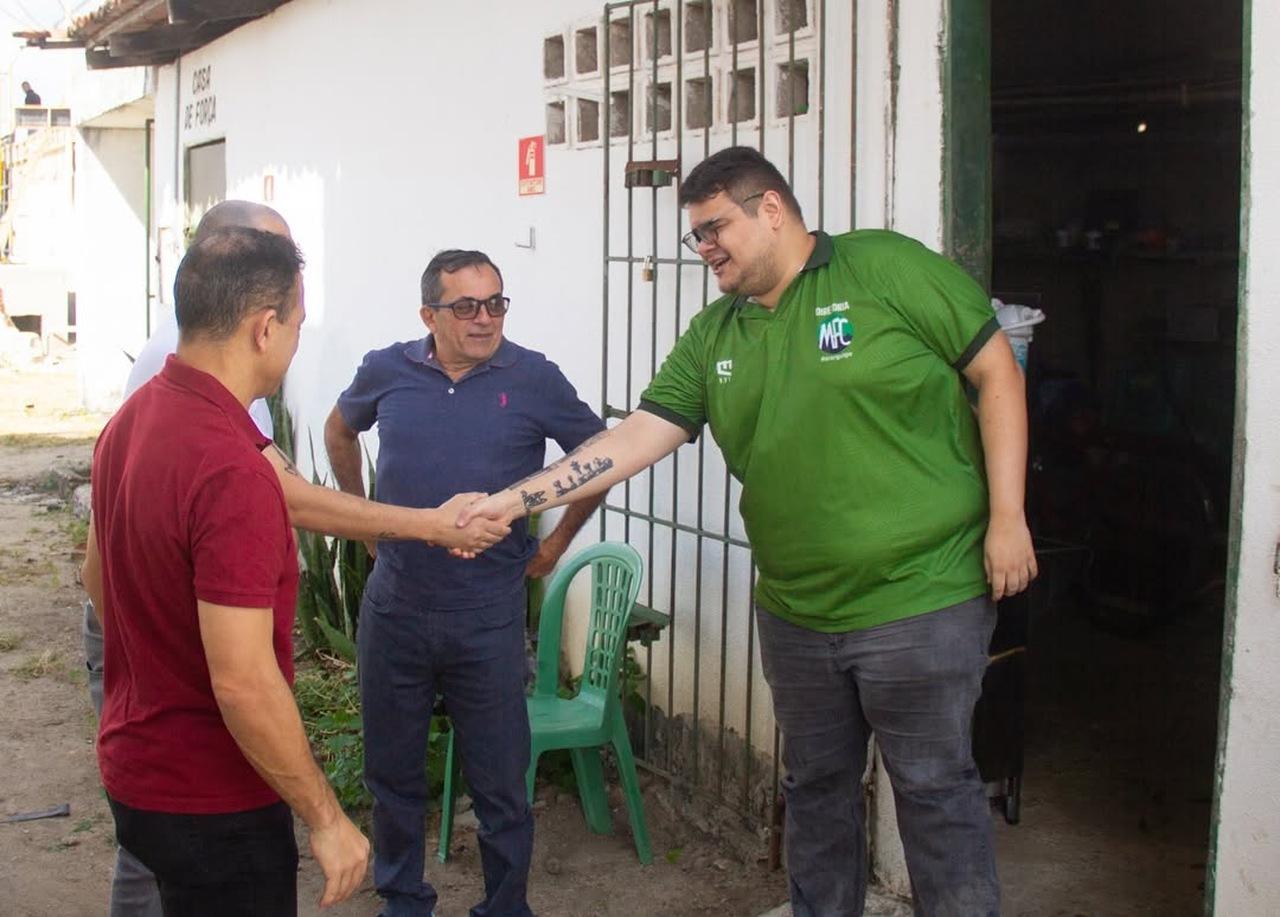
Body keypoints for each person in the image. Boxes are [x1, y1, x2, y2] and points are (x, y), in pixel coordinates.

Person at [458, 146, 1038, 916]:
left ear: (771, 209)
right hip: (797, 613)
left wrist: (1008, 516)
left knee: (934, 793)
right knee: (818, 791)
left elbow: (997, 372)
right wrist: (513, 501)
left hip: (921, 600)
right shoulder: (715, 335)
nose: (705, 250)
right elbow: (631, 438)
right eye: (695, 237)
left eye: (714, 229)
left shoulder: (886, 270)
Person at [80, 200, 507, 915]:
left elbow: (101, 581)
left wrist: (425, 525)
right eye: (299, 327)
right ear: (264, 328)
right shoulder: (231, 469)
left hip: (136, 773)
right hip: (215, 794)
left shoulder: (132, 418)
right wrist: (326, 816)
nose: (298, 343)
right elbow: (244, 682)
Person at [324, 249, 606, 917]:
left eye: (496, 303)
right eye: (467, 306)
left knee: (502, 780)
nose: (485, 319)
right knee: (392, 773)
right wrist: (364, 520)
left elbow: (597, 458)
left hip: (488, 615)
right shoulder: (386, 370)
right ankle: (403, 899)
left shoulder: (533, 376)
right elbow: (339, 431)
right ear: (430, 314)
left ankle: (505, 906)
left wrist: (559, 539)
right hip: (396, 606)